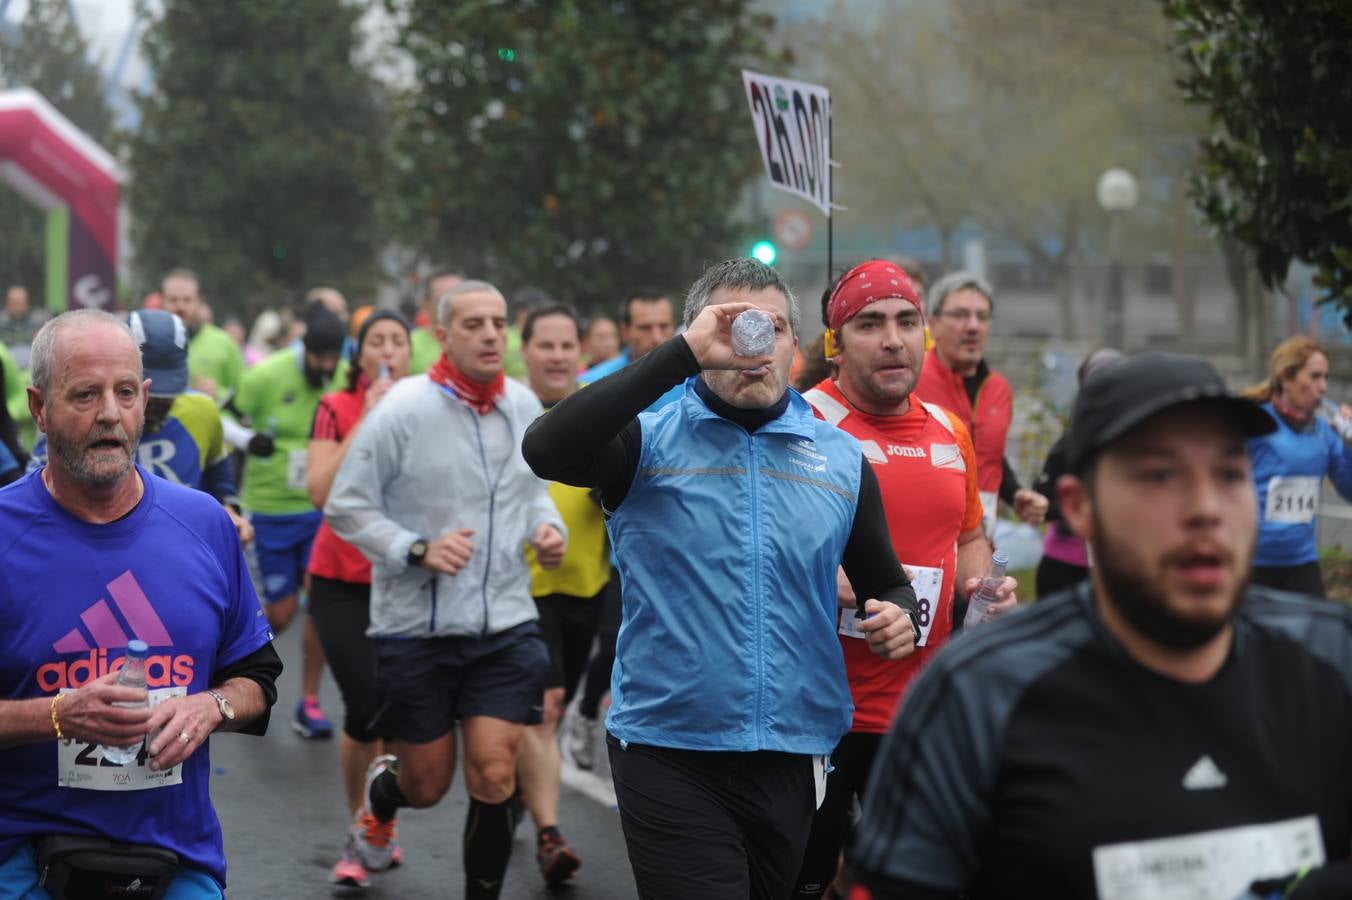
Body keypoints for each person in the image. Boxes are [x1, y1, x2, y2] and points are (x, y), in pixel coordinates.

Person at [848, 351, 1352, 899]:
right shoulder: (978, 695)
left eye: (1230, 473)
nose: (1206, 508)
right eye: (1159, 475)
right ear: (1080, 506)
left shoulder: (1332, 659)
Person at [522, 257, 920, 900]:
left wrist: (899, 613)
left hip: (797, 751)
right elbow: (545, 448)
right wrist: (679, 354)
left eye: (774, 330)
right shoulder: (644, 442)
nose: (756, 347)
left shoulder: (841, 459)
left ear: (796, 345)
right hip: (669, 749)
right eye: (733, 327)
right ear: (698, 335)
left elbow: (887, 583)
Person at [0, 309, 281, 897]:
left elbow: (255, 677)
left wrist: (212, 707)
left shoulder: (205, 522)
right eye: (84, 394)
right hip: (25, 855)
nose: (110, 413)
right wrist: (54, 715)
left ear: (145, 399)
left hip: (177, 858)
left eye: (125, 392)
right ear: (38, 407)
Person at [325, 279, 566, 900]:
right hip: (418, 628)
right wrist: (415, 549)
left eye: (498, 322)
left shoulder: (522, 404)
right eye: (474, 324)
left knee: (492, 773)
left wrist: (549, 527)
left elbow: (534, 489)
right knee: (427, 784)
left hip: (505, 625)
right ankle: (383, 797)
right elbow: (345, 506)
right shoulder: (403, 409)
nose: (490, 335)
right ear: (441, 335)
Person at [793, 260, 1016, 900]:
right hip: (818, 714)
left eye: (906, 321)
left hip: (922, 708)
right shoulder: (800, 425)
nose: (893, 339)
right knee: (805, 879)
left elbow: (968, 534)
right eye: (870, 324)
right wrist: (822, 572)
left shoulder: (949, 430)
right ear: (836, 342)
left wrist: (982, 587)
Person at [305, 310, 412, 888]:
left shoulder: (425, 406)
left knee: (396, 714)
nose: (388, 349)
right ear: (359, 354)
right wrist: (368, 416)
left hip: (406, 579)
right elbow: (321, 492)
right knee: (363, 701)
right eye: (377, 341)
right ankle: (359, 823)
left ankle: (379, 820)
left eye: (398, 340)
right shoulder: (336, 407)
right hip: (341, 580)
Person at [516, 303, 609, 886]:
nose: (555, 355)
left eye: (565, 346)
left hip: (587, 591)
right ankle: (550, 834)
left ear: (581, 352)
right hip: (520, 596)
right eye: (543, 345)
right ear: (523, 350)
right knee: (546, 708)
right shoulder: (508, 411)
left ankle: (515, 794)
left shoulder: (601, 413)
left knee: (552, 709)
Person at [26, 310, 253, 545]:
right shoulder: (78, 426)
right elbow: (36, 495)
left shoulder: (202, 411)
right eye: (127, 392)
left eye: (170, 394)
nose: (158, 405)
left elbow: (217, 470)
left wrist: (228, 509)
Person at [226, 308, 345, 739]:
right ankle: (237, 663)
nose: (328, 368)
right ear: (305, 350)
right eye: (321, 359)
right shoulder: (267, 375)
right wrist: (247, 440)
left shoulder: (343, 375)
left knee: (322, 603)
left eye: (335, 359)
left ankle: (308, 701)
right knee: (282, 610)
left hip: (320, 510)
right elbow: (221, 416)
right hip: (271, 510)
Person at [915, 271, 1047, 536]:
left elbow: (990, 456)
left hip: (983, 537)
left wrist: (1016, 493)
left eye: (982, 316)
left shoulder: (999, 389)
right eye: (961, 315)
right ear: (934, 323)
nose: (973, 326)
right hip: (925, 538)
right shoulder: (911, 381)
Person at [1240, 336, 1352, 597]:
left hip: (1301, 563)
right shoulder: (1255, 422)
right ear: (1287, 378)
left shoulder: (1326, 431)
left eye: (1325, 377)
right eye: (1314, 377)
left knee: (1311, 636)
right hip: (1251, 562)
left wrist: (1349, 446)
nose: (1323, 387)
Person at [1031, 347, 1126, 598]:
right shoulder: (1069, 444)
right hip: (1066, 567)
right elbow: (1041, 503)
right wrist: (1081, 508)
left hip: (1119, 567)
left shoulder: (1138, 443)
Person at [161, 269, 244, 404]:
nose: (180, 306)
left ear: (199, 301)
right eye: (173, 299)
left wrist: (218, 392)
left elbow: (243, 394)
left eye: (187, 300)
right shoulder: (148, 343)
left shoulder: (225, 343)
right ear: (162, 301)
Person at [577, 288, 675, 384]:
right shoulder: (591, 385)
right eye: (645, 328)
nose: (656, 337)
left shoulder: (688, 380)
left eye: (664, 326)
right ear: (625, 332)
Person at [410, 268, 466, 374]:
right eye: (443, 301)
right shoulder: (409, 346)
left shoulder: (484, 341)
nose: (453, 305)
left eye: (460, 297)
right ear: (425, 304)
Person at [0, 285, 45, 359]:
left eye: (19, 303)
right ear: (7, 304)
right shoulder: (1, 327)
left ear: (26, 304)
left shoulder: (36, 327)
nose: (17, 307)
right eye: (14, 303)